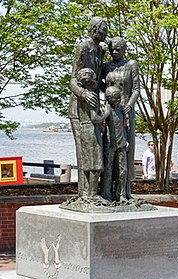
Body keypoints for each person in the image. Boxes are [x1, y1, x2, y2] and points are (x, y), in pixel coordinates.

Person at [68, 17, 108, 196]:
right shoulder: (83, 47)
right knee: (83, 151)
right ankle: (84, 195)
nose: (105, 32)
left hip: (95, 104)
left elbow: (99, 81)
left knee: (95, 151)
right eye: (103, 29)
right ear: (94, 29)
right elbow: (72, 80)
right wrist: (83, 94)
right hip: (79, 107)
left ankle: (92, 193)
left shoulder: (100, 51)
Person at [103, 37, 140, 198]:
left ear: (124, 49)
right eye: (112, 49)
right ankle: (107, 192)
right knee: (109, 152)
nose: (115, 52)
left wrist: (129, 105)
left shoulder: (131, 65)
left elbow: (137, 89)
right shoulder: (106, 67)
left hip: (126, 112)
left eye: (118, 49)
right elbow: (97, 85)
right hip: (110, 112)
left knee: (126, 152)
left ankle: (124, 192)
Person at [75, 68, 110, 197]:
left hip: (84, 128)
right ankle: (92, 193)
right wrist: (106, 113)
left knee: (87, 162)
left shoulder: (80, 97)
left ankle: (87, 193)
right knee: (96, 164)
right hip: (91, 129)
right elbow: (95, 118)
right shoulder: (91, 95)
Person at [101, 86, 128, 202]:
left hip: (121, 144)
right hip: (109, 144)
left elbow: (124, 127)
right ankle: (106, 194)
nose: (118, 100)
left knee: (123, 171)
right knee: (108, 171)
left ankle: (121, 195)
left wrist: (126, 141)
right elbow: (101, 128)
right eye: (115, 98)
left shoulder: (121, 110)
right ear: (108, 98)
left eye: (119, 98)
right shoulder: (104, 110)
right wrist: (105, 115)